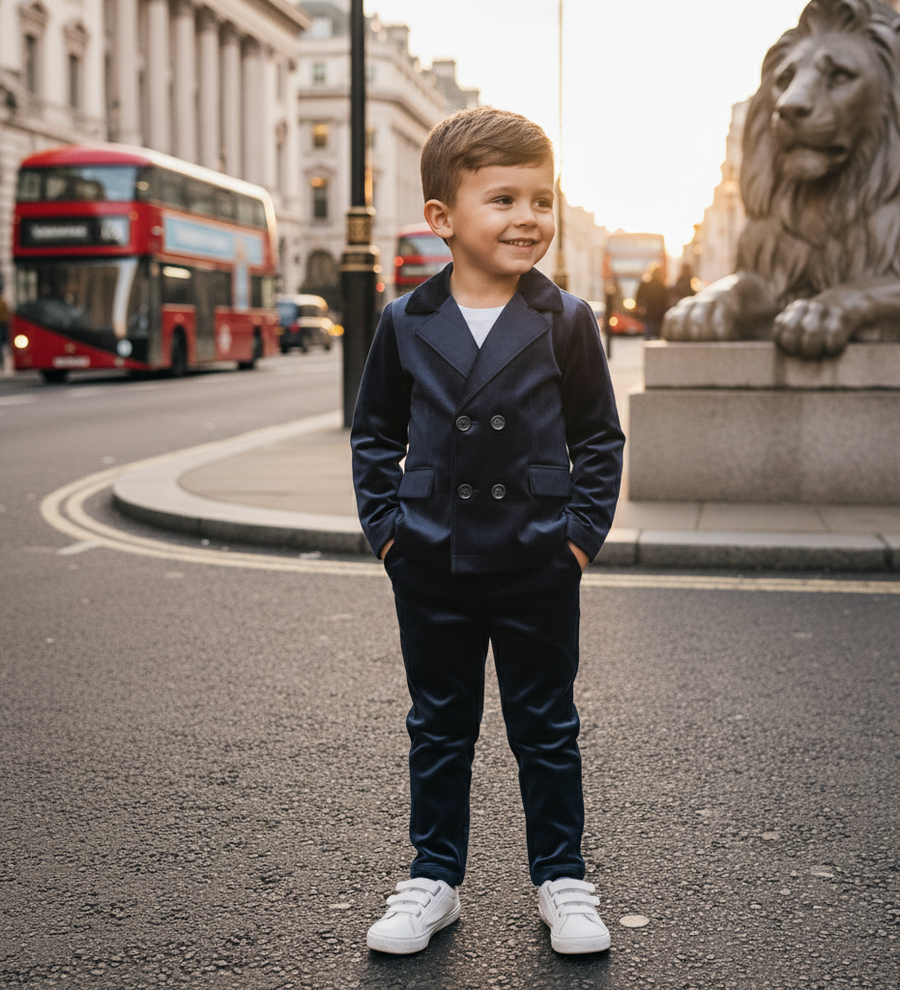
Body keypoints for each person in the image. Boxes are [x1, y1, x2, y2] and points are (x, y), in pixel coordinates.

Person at [351, 106, 625, 956]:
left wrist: (576, 539)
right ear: (443, 218)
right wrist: (389, 534)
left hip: (537, 557)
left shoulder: (567, 319)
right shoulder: (405, 320)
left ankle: (563, 878)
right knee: (439, 725)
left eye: (541, 200)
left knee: (546, 726)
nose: (528, 219)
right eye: (503, 199)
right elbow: (374, 436)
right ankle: (433, 878)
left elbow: (598, 438)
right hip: (432, 556)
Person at [635, 263, 669, 340]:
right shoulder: (662, 287)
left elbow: (639, 298)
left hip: (649, 315)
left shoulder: (646, 285)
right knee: (657, 339)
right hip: (657, 317)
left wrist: (641, 308)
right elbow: (666, 302)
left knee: (647, 337)